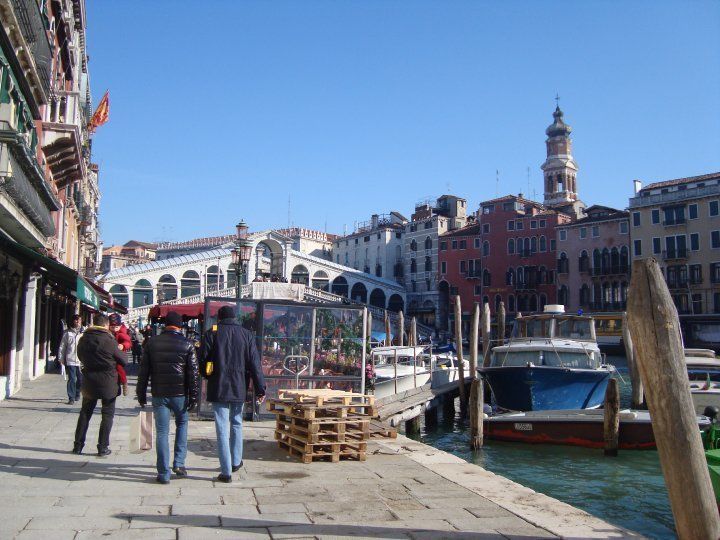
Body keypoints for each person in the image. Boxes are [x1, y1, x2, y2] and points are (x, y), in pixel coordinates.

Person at [200, 305, 266, 483]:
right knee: (237, 423)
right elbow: (255, 364)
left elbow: (203, 360)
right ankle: (236, 461)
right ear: (235, 318)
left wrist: (208, 374)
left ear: (219, 318)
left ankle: (226, 471)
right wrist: (260, 388)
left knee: (222, 427)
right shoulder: (246, 334)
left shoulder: (212, 333)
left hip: (218, 386)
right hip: (239, 386)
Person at [136, 311, 199, 484]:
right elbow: (193, 373)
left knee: (162, 432)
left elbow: (143, 371)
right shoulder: (188, 344)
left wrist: (141, 393)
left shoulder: (152, 343)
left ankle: (163, 473)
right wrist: (194, 396)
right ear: (179, 326)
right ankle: (179, 463)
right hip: (180, 394)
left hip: (159, 393)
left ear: (165, 325)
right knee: (182, 424)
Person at [73, 313, 127, 456]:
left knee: (85, 413)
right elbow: (123, 360)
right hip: (108, 381)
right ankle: (102, 447)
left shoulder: (84, 338)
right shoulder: (109, 340)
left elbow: (80, 356)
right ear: (106, 325)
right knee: (107, 415)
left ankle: (78, 445)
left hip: (89, 380)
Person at [58, 314, 84, 405]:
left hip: (81, 361)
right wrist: (61, 358)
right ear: (73, 321)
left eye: (79, 320)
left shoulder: (84, 333)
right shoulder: (67, 333)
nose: (78, 322)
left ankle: (77, 393)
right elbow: (62, 346)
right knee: (72, 379)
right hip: (70, 359)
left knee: (80, 379)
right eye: (76, 320)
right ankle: (71, 397)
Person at [109, 314, 131, 395]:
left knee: (119, 368)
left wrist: (123, 345)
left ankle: (124, 383)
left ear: (120, 326)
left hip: (119, 354)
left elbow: (128, 342)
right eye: (112, 327)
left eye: (116, 327)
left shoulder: (121, 333)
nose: (114, 329)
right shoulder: (107, 332)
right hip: (109, 354)